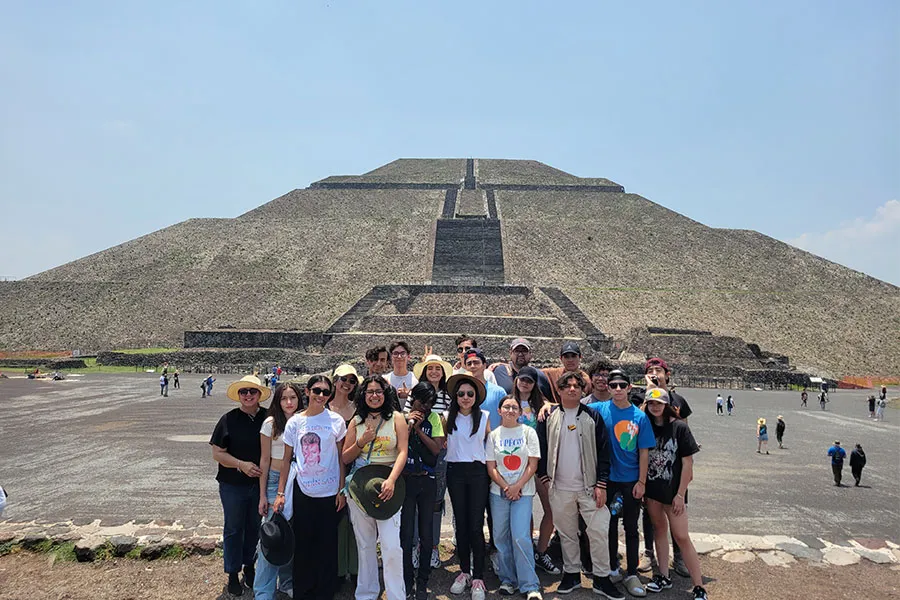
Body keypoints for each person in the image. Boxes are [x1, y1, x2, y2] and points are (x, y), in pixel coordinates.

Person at [536, 371, 622, 600]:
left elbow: (604, 452)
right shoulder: (549, 417)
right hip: (560, 486)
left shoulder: (592, 417)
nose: (572, 389)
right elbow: (540, 449)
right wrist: (544, 477)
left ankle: (601, 578)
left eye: (577, 386)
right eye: (567, 386)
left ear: (583, 390)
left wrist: (602, 484)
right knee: (567, 534)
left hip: (589, 486)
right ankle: (571, 573)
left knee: (598, 532)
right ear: (561, 390)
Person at [273, 375, 347, 600]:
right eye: (317, 391)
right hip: (304, 490)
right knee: (303, 544)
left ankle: (325, 591)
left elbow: (341, 459)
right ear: (307, 391)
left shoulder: (336, 421)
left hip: (329, 491)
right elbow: (287, 460)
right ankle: (304, 591)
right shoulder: (295, 422)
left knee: (327, 545)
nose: (321, 396)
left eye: (326, 392)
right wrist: (280, 492)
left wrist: (341, 490)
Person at [587, 370, 653, 598]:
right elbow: (573, 406)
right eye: (613, 385)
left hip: (630, 480)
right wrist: (548, 406)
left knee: (632, 528)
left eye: (621, 385)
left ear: (629, 388)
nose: (616, 389)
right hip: (609, 480)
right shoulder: (600, 409)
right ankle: (613, 567)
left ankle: (632, 572)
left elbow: (644, 451)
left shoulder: (639, 417)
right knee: (610, 525)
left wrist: (641, 482)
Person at [342, 375, 409, 600]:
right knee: (365, 543)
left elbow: (402, 451)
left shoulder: (397, 418)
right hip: (361, 486)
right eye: (370, 392)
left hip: (388, 483)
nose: (374, 396)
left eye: (378, 391)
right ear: (364, 395)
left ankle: (396, 594)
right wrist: (362, 440)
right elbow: (345, 457)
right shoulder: (356, 421)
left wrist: (391, 480)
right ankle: (367, 593)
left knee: (391, 545)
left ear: (385, 394)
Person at [641, 388, 707, 600]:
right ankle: (663, 575)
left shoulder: (679, 428)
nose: (655, 407)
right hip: (653, 491)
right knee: (659, 531)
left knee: (681, 536)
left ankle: (699, 586)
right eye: (651, 404)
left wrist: (680, 494)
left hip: (673, 492)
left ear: (666, 404)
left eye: (659, 403)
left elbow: (688, 464)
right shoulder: (646, 427)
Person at [630, 358, 693, 577]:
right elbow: (636, 421)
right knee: (649, 515)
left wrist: (663, 392)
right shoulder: (640, 398)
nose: (655, 373)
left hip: (672, 468)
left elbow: (684, 430)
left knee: (676, 512)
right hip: (649, 466)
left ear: (668, 373)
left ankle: (679, 556)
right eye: (650, 370)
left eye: (659, 370)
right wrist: (650, 392)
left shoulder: (678, 400)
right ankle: (649, 552)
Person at [210, 375, 271, 596]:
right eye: (244, 392)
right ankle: (232, 572)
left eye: (252, 392)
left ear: (259, 395)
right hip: (233, 484)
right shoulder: (228, 419)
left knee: (254, 527)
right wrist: (240, 465)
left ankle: (250, 566)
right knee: (234, 528)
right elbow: (217, 453)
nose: (248, 396)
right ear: (239, 395)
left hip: (259, 483)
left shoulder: (268, 418)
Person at [486, 395, 543, 600]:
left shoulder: (528, 432)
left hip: (523, 492)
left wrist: (517, 486)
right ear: (499, 411)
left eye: (514, 407)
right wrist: (505, 486)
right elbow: (491, 467)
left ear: (520, 412)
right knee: (500, 537)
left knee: (520, 536)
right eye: (506, 407)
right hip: (498, 492)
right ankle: (507, 579)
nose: (510, 410)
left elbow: (533, 465)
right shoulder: (493, 435)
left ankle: (529, 584)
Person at [445, 373, 491, 600]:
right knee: (461, 525)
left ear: (476, 397)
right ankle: (464, 571)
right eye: (461, 393)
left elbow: (491, 446)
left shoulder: (484, 417)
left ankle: (479, 577)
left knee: (475, 525)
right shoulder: (446, 417)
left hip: (477, 473)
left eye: (469, 394)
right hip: (455, 473)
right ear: (455, 396)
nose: (465, 397)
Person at [512, 366, 560, 575]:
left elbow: (563, 407)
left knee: (551, 509)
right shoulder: (508, 403)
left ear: (535, 384)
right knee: (524, 512)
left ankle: (541, 551)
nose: (525, 383)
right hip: (514, 464)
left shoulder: (542, 405)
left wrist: (549, 404)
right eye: (522, 379)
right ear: (516, 381)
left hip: (539, 463)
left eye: (529, 381)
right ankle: (527, 552)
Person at [255, 383, 301, 600]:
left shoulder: (303, 421)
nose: (289, 402)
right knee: (272, 535)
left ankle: (286, 581)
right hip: (274, 481)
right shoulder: (270, 424)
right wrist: (263, 494)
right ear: (277, 401)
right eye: (284, 398)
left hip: (297, 481)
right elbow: (264, 460)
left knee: (290, 535)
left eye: (293, 397)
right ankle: (263, 590)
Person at [400, 382, 445, 600]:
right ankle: (407, 580)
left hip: (426, 481)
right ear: (413, 398)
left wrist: (419, 429)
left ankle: (422, 582)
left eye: (430, 403)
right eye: (421, 401)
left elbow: (436, 449)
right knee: (406, 535)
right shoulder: (400, 417)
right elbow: (398, 445)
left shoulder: (434, 419)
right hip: (406, 481)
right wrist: (409, 424)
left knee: (426, 536)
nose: (425, 407)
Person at [412, 354, 454, 568]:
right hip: (416, 450)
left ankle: (433, 546)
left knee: (436, 500)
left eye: (438, 368)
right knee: (414, 502)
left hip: (440, 452)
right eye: (430, 369)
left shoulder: (449, 396)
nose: (434, 372)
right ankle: (415, 546)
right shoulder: (416, 394)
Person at [328, 366, 361, 585]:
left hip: (353, 467)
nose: (347, 383)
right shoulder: (323, 405)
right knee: (337, 521)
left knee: (356, 522)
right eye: (343, 379)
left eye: (352, 380)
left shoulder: (358, 409)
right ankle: (339, 569)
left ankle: (356, 568)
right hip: (328, 468)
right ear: (334, 380)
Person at [462, 348, 507, 429]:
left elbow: (506, 419)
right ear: (465, 367)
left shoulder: (499, 392)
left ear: (484, 365)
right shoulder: (461, 393)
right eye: (469, 364)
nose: (472, 366)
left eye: (476, 362)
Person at [385, 341, 418, 408]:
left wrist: (409, 395)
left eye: (402, 353)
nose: (399, 357)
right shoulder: (384, 379)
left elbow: (422, 401)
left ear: (408, 357)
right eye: (395, 353)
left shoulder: (417, 379)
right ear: (391, 357)